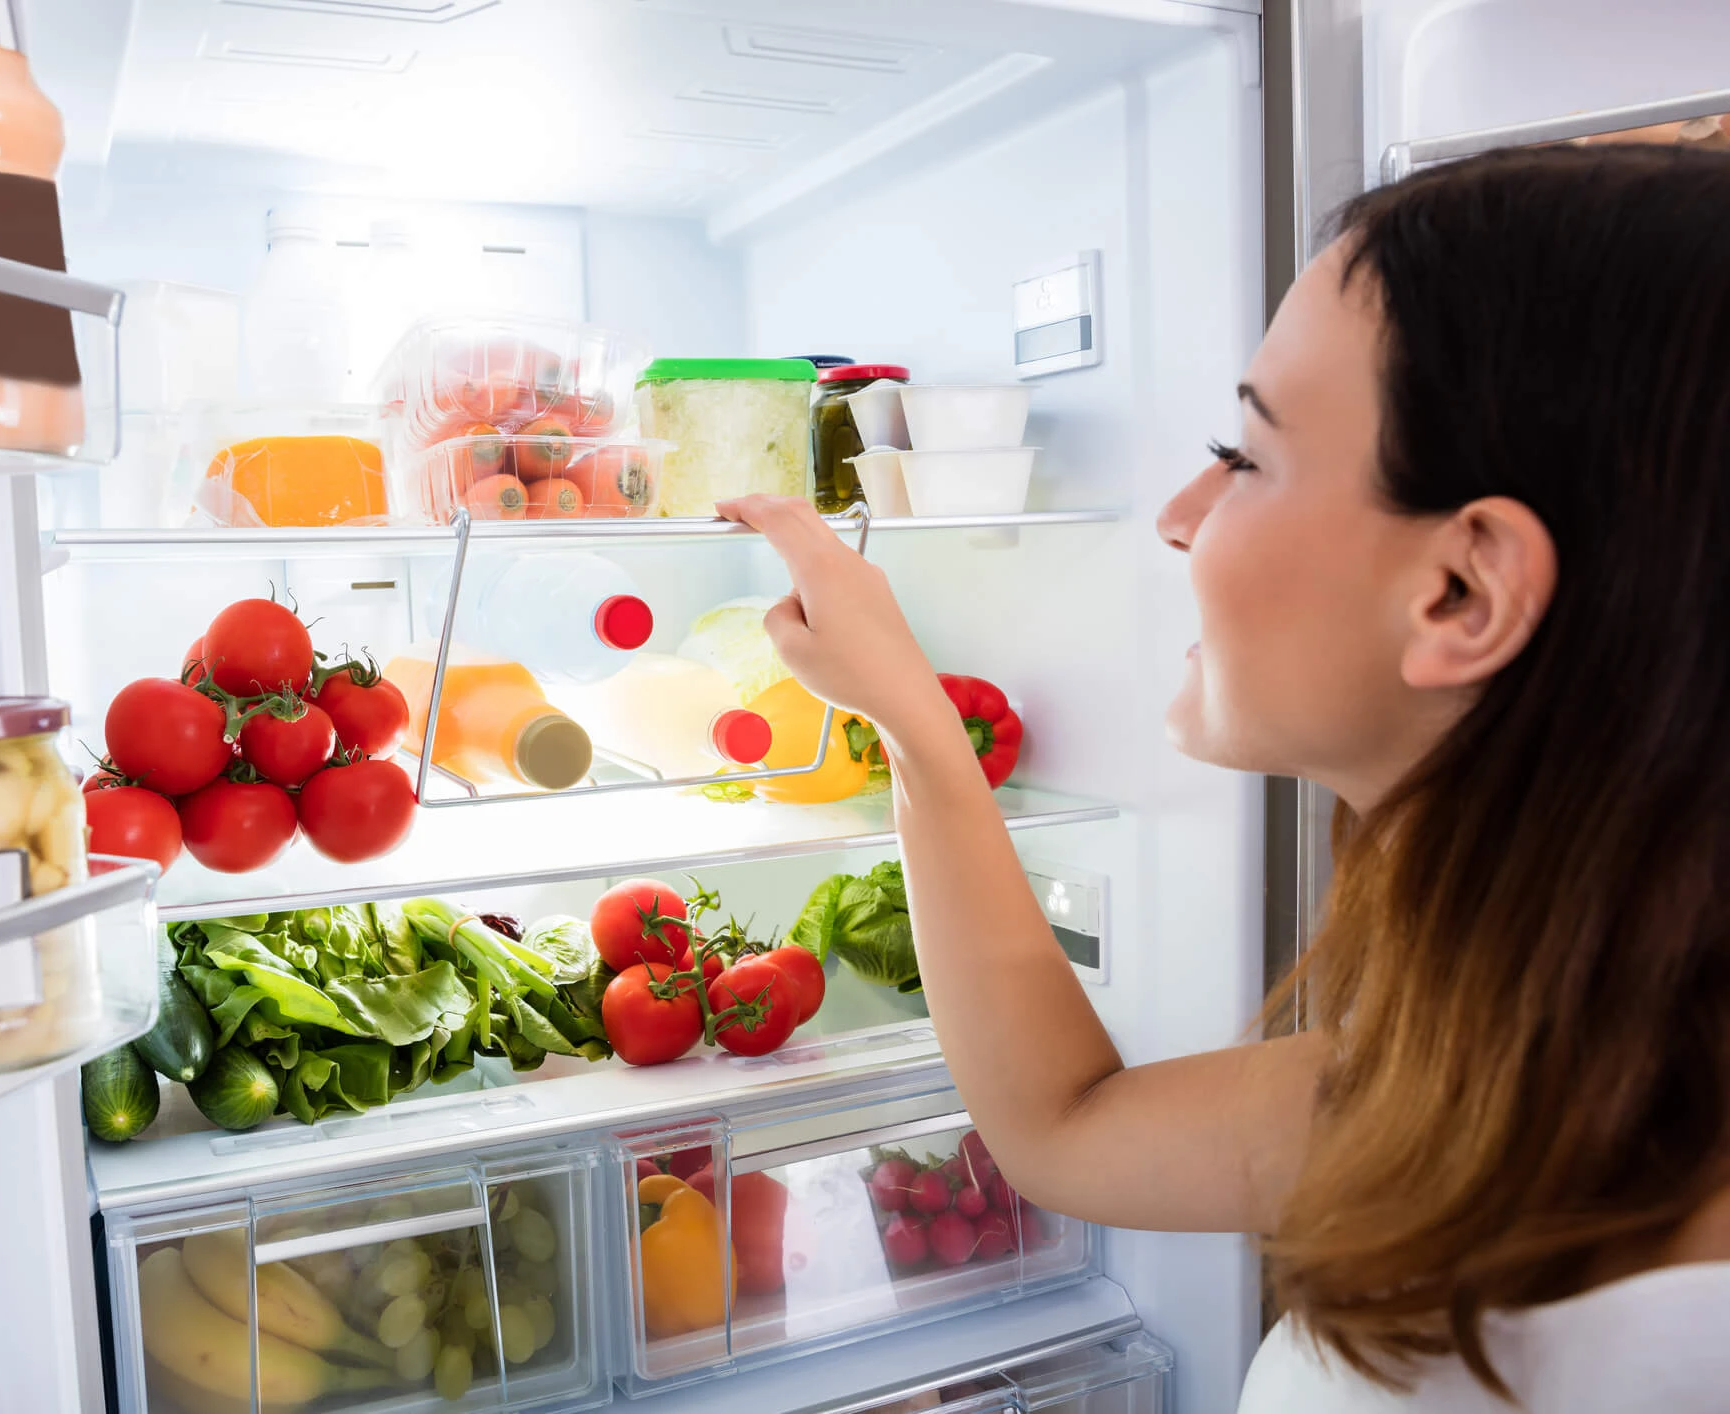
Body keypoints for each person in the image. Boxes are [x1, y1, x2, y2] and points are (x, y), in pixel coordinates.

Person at [720, 143, 1730, 1411]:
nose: (1182, 514)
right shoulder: (1549, 1068)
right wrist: (918, 728)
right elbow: (1067, 1126)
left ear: (1461, 591)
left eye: (1243, 454)